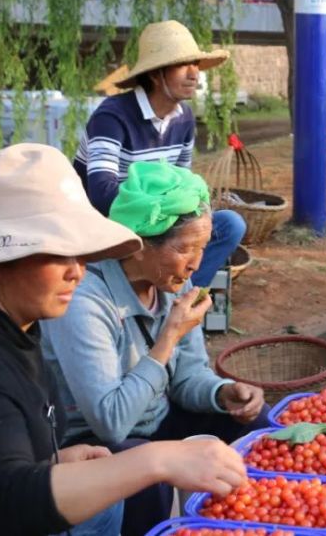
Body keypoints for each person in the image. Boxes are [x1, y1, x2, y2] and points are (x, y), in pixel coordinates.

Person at [0, 144, 246, 535]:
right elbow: (8, 497)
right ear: (0, 262)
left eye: (82, 256)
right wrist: (156, 460)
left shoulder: (14, 324)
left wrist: (53, 459)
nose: (77, 273)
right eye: (60, 255)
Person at [41, 161, 268, 535]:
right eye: (185, 249)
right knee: (146, 477)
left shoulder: (172, 281)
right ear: (139, 245)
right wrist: (167, 339)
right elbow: (110, 423)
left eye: (203, 248)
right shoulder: (85, 301)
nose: (195, 264)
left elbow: (187, 378)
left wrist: (221, 392)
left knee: (252, 423)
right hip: (94, 442)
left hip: (156, 418)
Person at [73, 20, 245, 288]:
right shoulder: (112, 116)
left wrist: (194, 215)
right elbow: (103, 195)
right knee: (180, 237)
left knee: (229, 225)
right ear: (155, 74)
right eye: (182, 65)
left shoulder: (184, 118)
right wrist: (167, 219)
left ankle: (182, 292)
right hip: (110, 224)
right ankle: (170, 295)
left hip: (161, 225)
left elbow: (183, 183)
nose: (194, 75)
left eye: (196, 65)